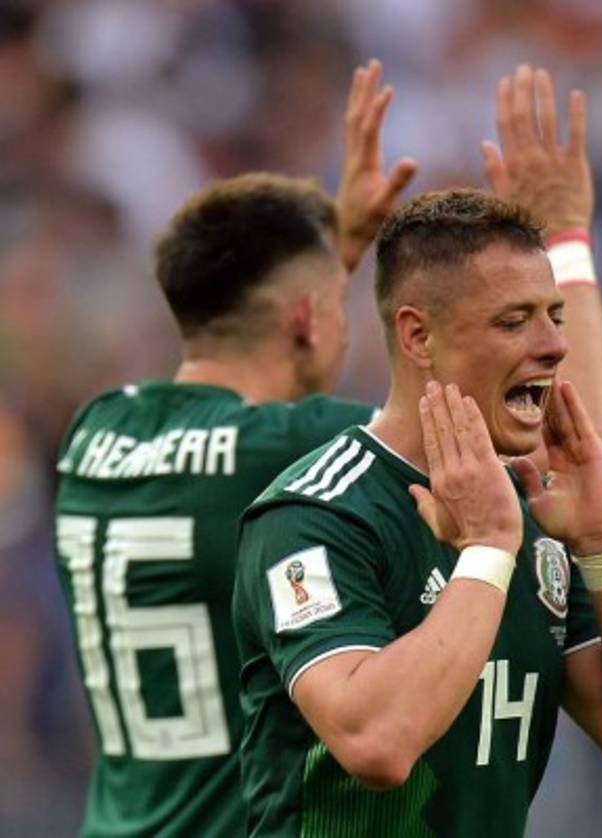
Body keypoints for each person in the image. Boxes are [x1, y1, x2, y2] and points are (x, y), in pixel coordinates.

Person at [230, 187, 602, 834]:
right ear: (418, 335)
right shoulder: (315, 514)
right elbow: (375, 744)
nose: (553, 345)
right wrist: (485, 551)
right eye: (513, 321)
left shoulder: (541, 509)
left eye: (554, 316)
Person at [51, 59, 415, 838]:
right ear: (308, 319)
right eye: (335, 305)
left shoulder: (95, 433)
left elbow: (260, 368)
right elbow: (504, 431)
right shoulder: (293, 445)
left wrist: (335, 257)